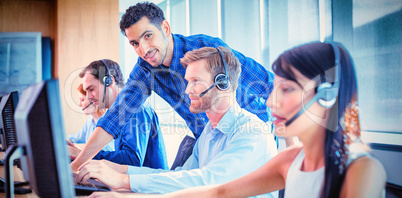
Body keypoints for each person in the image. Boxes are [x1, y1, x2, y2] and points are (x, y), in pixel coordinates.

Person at [70, 1, 279, 172]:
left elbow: (267, 82)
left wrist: (292, 139)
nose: (143, 49)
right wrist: (77, 165)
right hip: (207, 139)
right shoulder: (145, 69)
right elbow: (116, 116)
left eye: (147, 36)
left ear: (166, 28)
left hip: (246, 136)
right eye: (134, 43)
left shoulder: (205, 49)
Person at [161, 42, 386, 198]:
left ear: (326, 97)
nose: (270, 102)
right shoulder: (290, 160)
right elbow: (220, 191)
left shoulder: (362, 170)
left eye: (286, 89)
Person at [76, 47, 278, 197]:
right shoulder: (209, 131)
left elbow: (208, 182)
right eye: (187, 81)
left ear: (222, 84)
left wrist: (124, 183)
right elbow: (183, 176)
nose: (187, 90)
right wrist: (117, 170)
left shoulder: (251, 131)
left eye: (195, 81)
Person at [69, 59, 168, 170]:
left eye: (91, 89)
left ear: (109, 82)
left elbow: (132, 160)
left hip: (146, 185)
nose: (88, 97)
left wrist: (83, 156)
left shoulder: (135, 108)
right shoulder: (115, 114)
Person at [67, 84, 115, 154]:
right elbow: (76, 139)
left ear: (93, 100)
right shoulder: (90, 122)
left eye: (82, 100)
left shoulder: (107, 122)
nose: (80, 104)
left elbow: (106, 150)